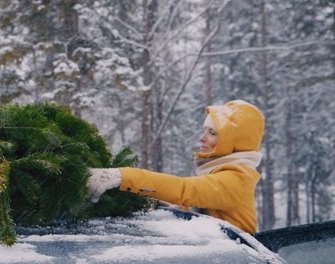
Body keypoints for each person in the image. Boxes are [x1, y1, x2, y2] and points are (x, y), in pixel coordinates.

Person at [86, 100, 264, 234]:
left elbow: (187, 190)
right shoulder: (222, 173)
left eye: (213, 133)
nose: (202, 137)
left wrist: (121, 176)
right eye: (205, 130)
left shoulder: (237, 178)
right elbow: (200, 207)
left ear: (233, 142)